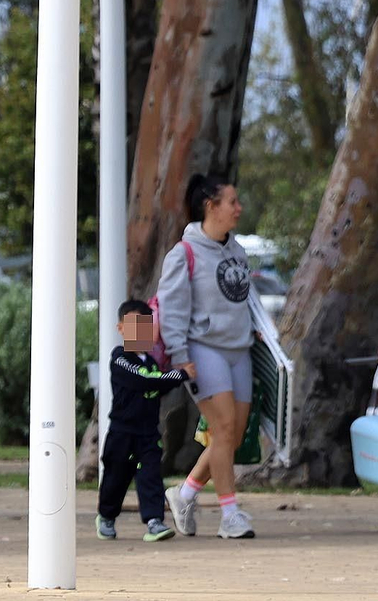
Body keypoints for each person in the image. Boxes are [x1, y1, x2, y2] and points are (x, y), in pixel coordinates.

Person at [159, 172, 258, 540]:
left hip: (239, 350)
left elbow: (246, 297)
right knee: (222, 429)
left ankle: (184, 495)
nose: (239, 208)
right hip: (204, 349)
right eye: (232, 202)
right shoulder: (183, 254)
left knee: (229, 437)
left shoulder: (237, 249)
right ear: (210, 206)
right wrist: (180, 355)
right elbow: (171, 309)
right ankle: (230, 514)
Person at [97, 300, 196, 541]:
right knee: (116, 477)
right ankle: (106, 516)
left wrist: (168, 378)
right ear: (121, 329)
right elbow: (145, 381)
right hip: (122, 432)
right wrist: (180, 374)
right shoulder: (120, 358)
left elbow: (155, 386)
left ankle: (154, 521)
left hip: (148, 433)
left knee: (150, 475)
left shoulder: (151, 363)